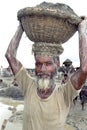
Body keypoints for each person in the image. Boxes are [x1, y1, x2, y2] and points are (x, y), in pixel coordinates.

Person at [5, 16, 87, 130]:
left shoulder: (64, 94)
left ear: (57, 64)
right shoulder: (28, 85)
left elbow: (84, 69)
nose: (42, 69)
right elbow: (9, 55)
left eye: (48, 64)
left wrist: (82, 29)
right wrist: (21, 27)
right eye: (38, 64)